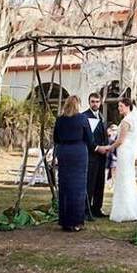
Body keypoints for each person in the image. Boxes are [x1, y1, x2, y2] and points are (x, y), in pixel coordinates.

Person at [53, 95, 94, 232]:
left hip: (64, 151)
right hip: (78, 152)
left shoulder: (60, 119)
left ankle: (65, 221)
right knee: (78, 188)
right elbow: (90, 139)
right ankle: (76, 222)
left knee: (64, 186)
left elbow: (55, 138)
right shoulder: (82, 119)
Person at [102, 97, 137, 222]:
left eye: (121, 106)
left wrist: (110, 148)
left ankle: (126, 210)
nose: (119, 108)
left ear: (128, 106)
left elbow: (121, 140)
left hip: (125, 152)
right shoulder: (132, 119)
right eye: (119, 106)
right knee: (127, 177)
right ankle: (130, 207)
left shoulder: (127, 120)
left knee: (124, 178)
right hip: (127, 151)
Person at [82, 92, 109, 219]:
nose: (95, 104)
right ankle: (86, 210)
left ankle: (97, 208)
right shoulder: (84, 116)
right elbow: (86, 137)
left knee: (100, 183)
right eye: (92, 101)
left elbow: (104, 134)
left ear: (100, 102)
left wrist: (107, 147)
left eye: (97, 102)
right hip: (91, 155)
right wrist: (97, 148)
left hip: (102, 156)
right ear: (89, 102)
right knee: (90, 183)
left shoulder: (102, 116)